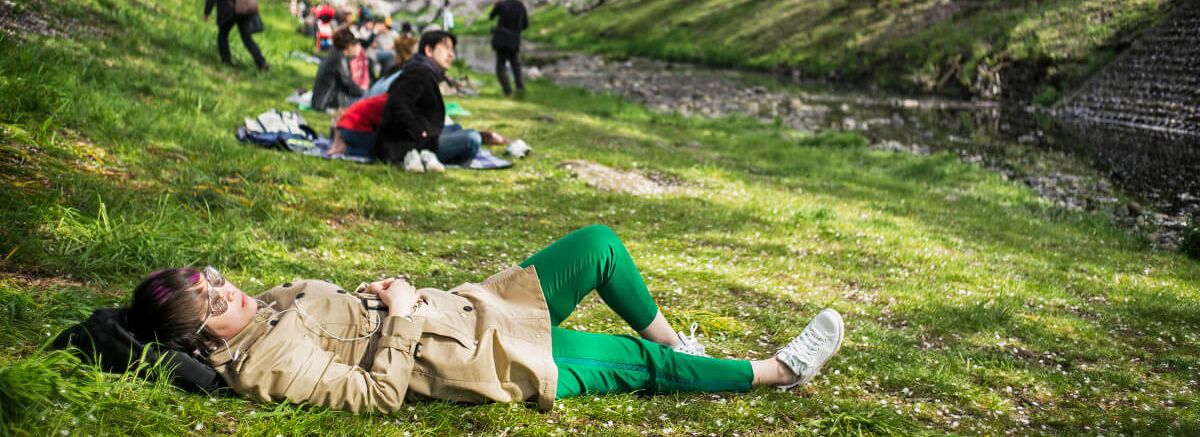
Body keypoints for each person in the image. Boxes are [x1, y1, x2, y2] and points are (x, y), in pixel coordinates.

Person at [124, 224, 844, 413]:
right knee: (633, 365)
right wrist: (399, 316)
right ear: (197, 337)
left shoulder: (268, 308)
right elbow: (375, 394)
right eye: (213, 305)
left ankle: (679, 341)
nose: (230, 295)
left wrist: (377, 295)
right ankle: (777, 371)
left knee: (597, 247)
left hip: (475, 307)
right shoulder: (262, 365)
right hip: (471, 358)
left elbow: (336, 320)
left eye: (215, 280)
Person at [372, 30, 480, 171]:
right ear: (429, 50)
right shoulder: (418, 73)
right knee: (472, 139)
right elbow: (397, 103)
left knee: (457, 129)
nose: (451, 54)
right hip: (404, 142)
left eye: (452, 49)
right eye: (446, 48)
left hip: (423, 134)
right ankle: (419, 155)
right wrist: (419, 130)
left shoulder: (426, 72)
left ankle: (426, 152)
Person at [488, 0, 530, 97]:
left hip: (501, 40)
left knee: (501, 66)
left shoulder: (501, 4)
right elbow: (525, 24)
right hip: (514, 40)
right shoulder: (521, 6)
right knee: (515, 65)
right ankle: (520, 88)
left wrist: (496, 5)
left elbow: (491, 16)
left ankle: (508, 91)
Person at [312, 27, 366, 112]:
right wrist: (365, 93)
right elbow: (348, 83)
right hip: (326, 103)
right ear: (348, 46)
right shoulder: (339, 59)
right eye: (354, 45)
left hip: (321, 100)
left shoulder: (336, 54)